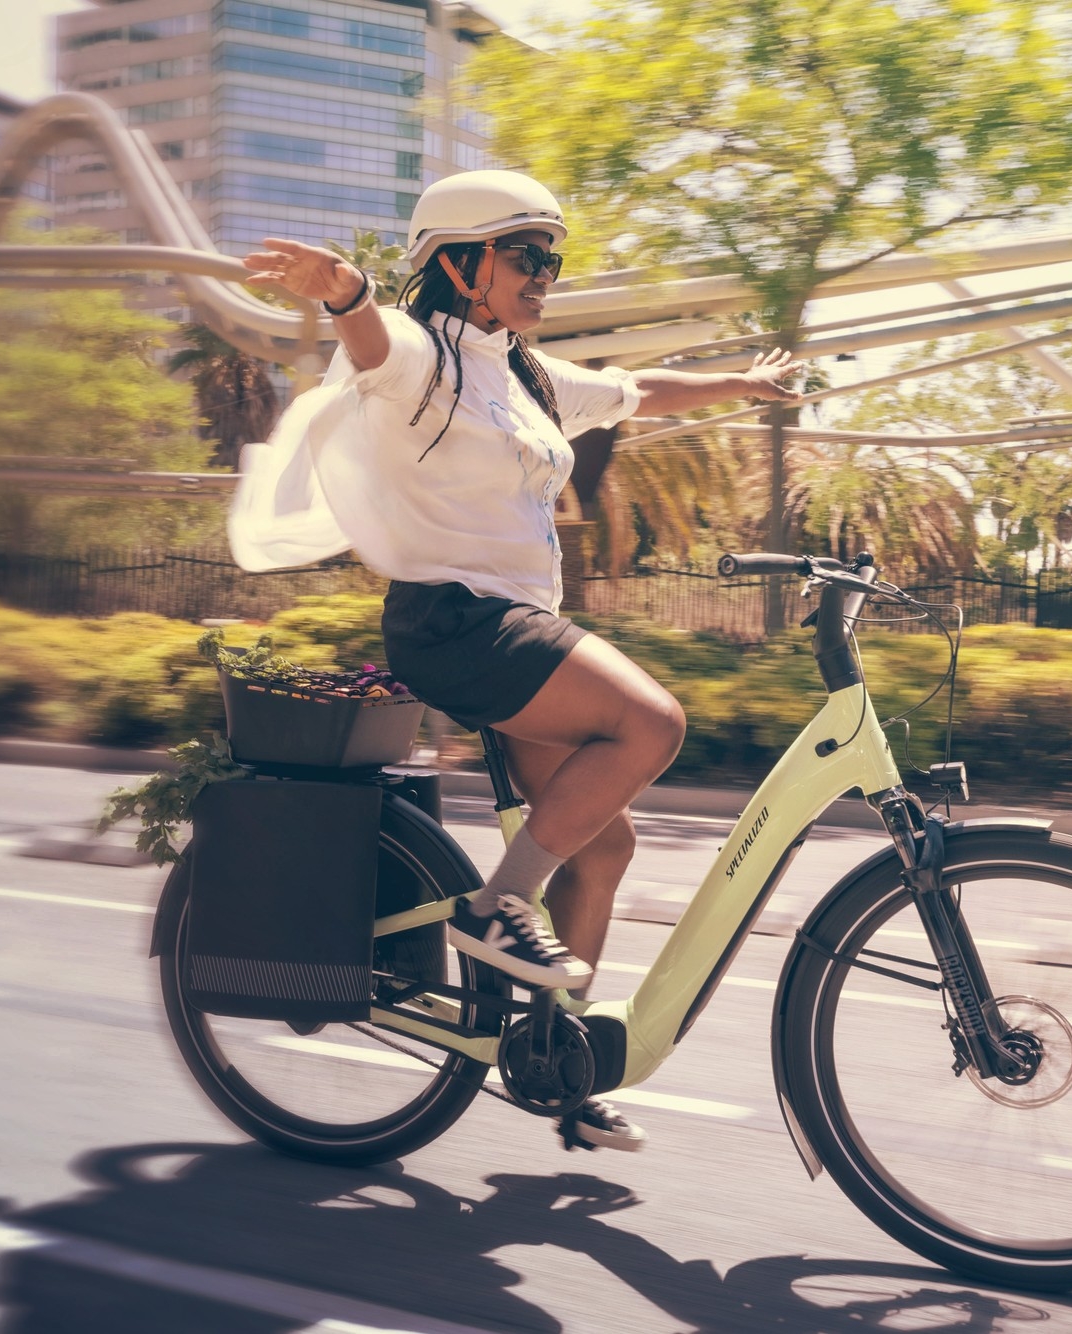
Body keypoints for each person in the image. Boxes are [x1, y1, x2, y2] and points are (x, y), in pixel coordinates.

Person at [231, 171, 804, 1150]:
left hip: (510, 630)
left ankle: (556, 1063)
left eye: (552, 258)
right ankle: (497, 907)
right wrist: (340, 290)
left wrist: (743, 383)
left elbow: (637, 391)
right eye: (524, 255)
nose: (544, 274)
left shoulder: (524, 375)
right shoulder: (421, 357)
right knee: (652, 721)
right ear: (458, 263)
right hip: (455, 623)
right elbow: (369, 338)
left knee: (605, 847)